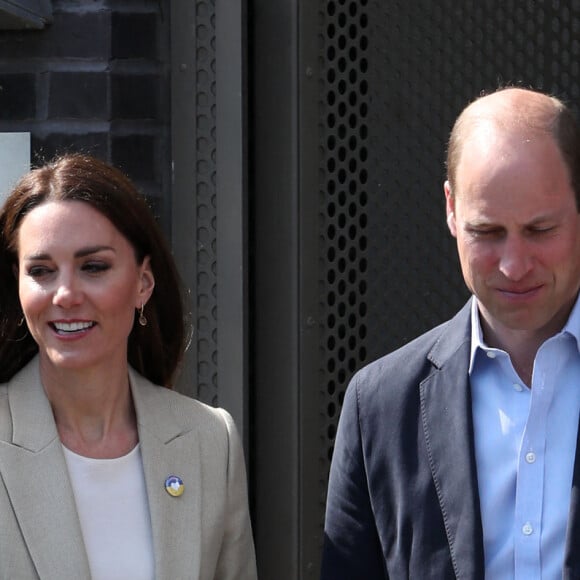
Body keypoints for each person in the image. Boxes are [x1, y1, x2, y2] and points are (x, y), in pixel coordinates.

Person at [321, 87, 580, 579]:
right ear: (451, 210)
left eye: (540, 230)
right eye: (487, 232)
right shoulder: (379, 405)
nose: (513, 265)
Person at [0, 153, 257, 580]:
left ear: (143, 283)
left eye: (93, 267)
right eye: (41, 271)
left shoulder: (210, 440)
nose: (64, 294)